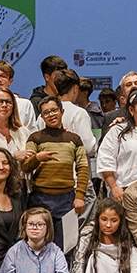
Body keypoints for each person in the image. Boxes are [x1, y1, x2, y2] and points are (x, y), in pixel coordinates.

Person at [23, 96, 89, 249]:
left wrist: (80, 196)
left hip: (67, 200)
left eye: (54, 110)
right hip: (40, 198)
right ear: (42, 116)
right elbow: (25, 167)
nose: (51, 115)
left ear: (62, 111)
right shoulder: (35, 138)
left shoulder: (74, 139)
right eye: (46, 113)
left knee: (65, 246)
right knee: (37, 244)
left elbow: (83, 168)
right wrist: (37, 158)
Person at [95, 87, 137, 201]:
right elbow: (105, 161)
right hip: (126, 191)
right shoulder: (117, 131)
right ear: (132, 110)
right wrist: (114, 187)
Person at [53, 70, 100, 160]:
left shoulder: (43, 115)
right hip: (75, 168)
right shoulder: (79, 113)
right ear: (75, 88)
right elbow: (88, 147)